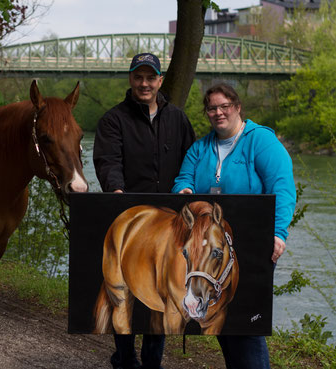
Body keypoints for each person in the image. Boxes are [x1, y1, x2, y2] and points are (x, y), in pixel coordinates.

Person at [172, 82, 296, 369]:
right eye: (212, 108)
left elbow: (283, 189)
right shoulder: (200, 147)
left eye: (224, 106)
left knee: (246, 323)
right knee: (222, 323)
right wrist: (185, 192)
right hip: (213, 251)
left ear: (237, 107)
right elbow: (183, 179)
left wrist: (277, 233)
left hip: (254, 245)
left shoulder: (261, 142)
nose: (218, 112)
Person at [93, 53, 195, 369]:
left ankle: (152, 362)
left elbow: (191, 160)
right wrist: (117, 191)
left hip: (169, 223)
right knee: (123, 292)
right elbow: (108, 161)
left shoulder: (177, 118)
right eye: (139, 77)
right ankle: (124, 358)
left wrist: (189, 189)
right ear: (131, 79)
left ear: (160, 81)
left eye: (151, 77)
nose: (145, 83)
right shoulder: (113, 120)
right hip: (131, 221)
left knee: (160, 294)